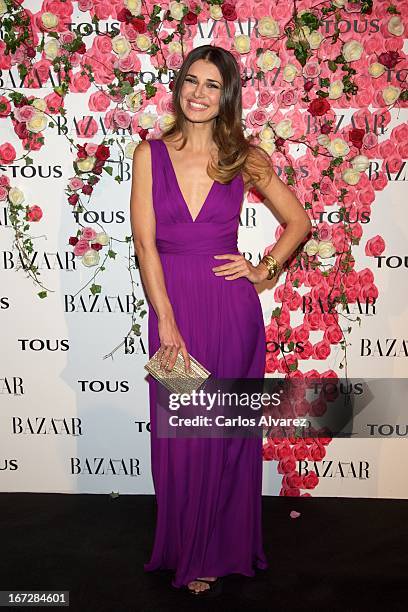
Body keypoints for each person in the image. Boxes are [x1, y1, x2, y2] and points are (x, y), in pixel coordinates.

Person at [130, 44, 311, 596]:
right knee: (182, 436)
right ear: (178, 86)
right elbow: (144, 244)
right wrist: (166, 321)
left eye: (212, 84)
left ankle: (214, 551)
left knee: (221, 437)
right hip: (175, 308)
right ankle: (184, 545)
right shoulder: (149, 154)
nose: (199, 93)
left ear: (226, 95)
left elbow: (298, 222)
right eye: (191, 81)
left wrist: (263, 270)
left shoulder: (245, 158)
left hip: (230, 314)